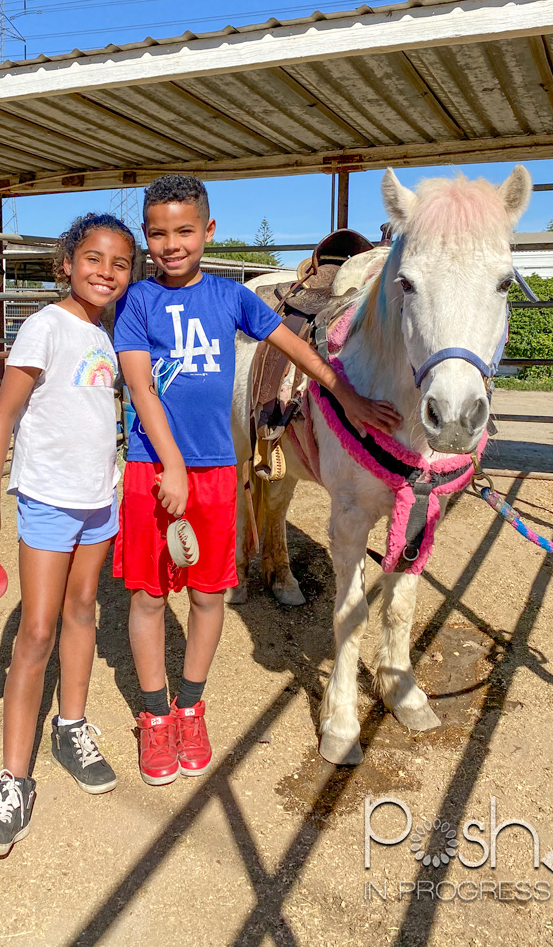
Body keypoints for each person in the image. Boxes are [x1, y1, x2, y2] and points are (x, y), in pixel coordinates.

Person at [113, 175, 401, 786]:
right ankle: (155, 712)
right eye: (159, 233)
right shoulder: (136, 303)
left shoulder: (232, 297)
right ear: (147, 236)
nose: (172, 245)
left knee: (209, 593)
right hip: (151, 469)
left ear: (208, 232)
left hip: (217, 470)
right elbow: (139, 387)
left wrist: (345, 394)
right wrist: (169, 466)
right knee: (146, 595)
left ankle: (191, 703)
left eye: (185, 231)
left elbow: (295, 350)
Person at [0, 212, 135, 856]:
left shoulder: (111, 334)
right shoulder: (45, 326)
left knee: (82, 610)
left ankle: (71, 726)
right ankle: (13, 783)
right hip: (47, 499)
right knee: (36, 630)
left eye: (120, 264)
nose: (106, 273)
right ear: (67, 263)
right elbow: (3, 416)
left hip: (100, 498)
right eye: (94, 259)